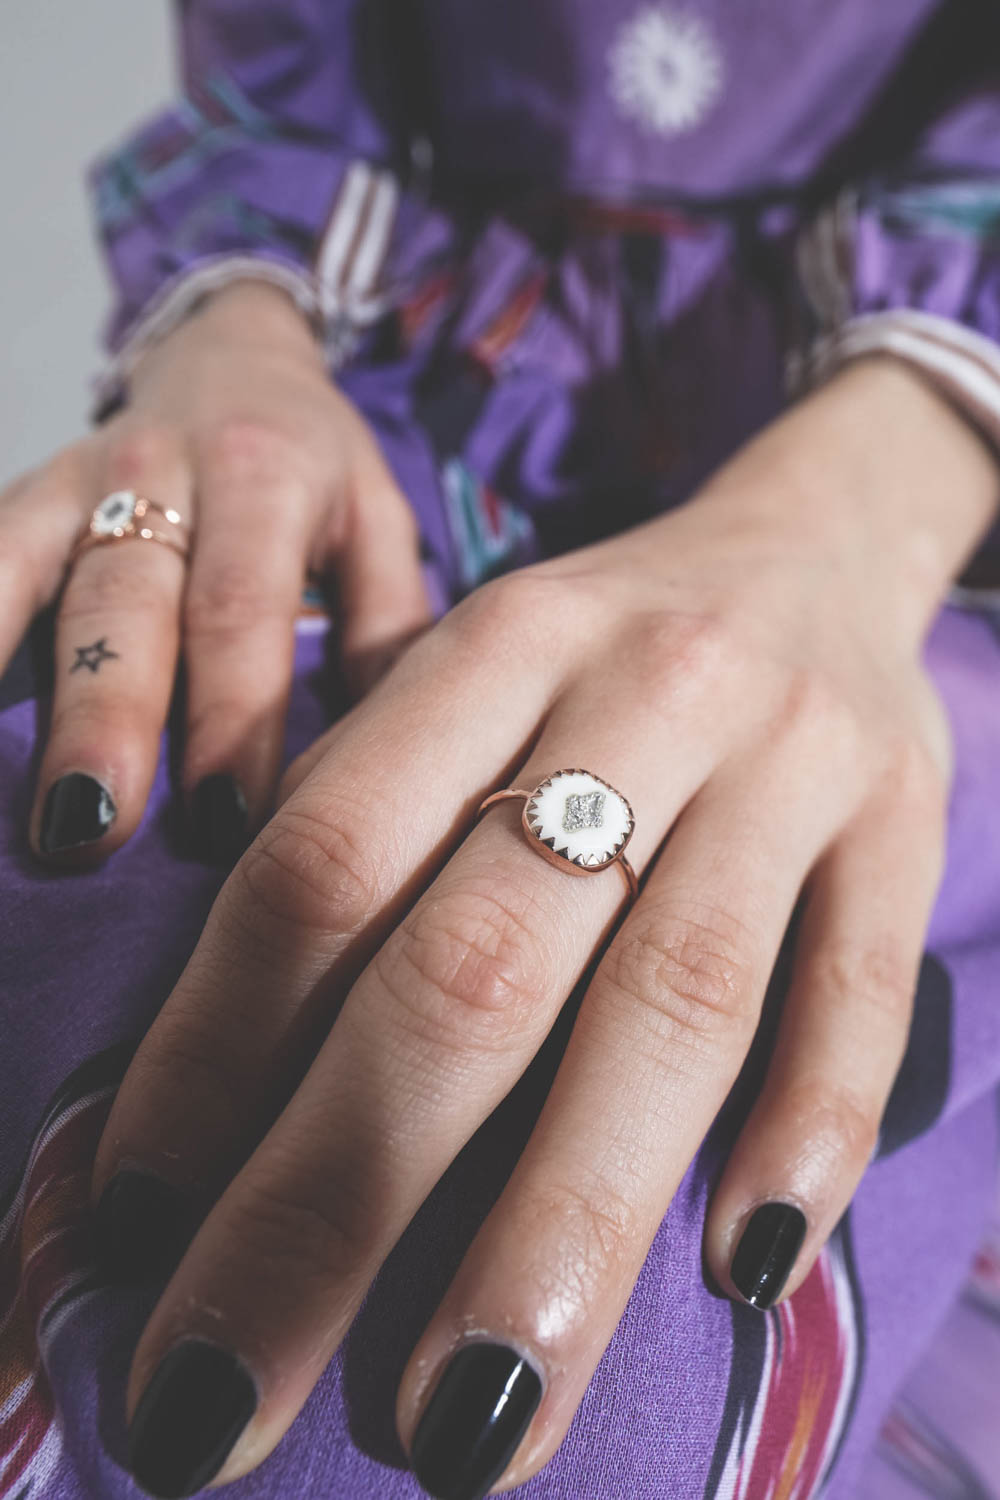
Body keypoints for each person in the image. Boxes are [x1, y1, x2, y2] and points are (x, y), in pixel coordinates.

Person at [2, 1, 1000, 1497]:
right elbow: (285, 95)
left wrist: (864, 512)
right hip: (370, 473)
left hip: (925, 539)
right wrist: (228, 339)